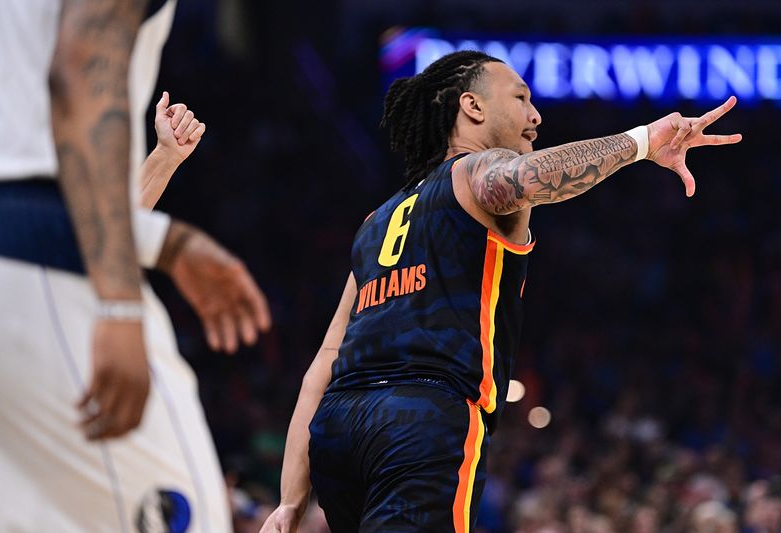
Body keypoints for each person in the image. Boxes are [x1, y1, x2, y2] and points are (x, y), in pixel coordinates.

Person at [259, 50, 742, 533]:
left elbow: (325, 359)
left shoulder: (375, 221)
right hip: (422, 418)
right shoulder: (475, 173)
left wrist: (290, 499)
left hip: (338, 429)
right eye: (521, 98)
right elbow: (527, 178)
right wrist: (640, 141)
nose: (536, 116)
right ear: (472, 107)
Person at [0, 1, 268, 532]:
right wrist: (118, 302)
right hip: (40, 266)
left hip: (10, 263)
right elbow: (80, 69)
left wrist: (162, 176)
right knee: (195, 518)